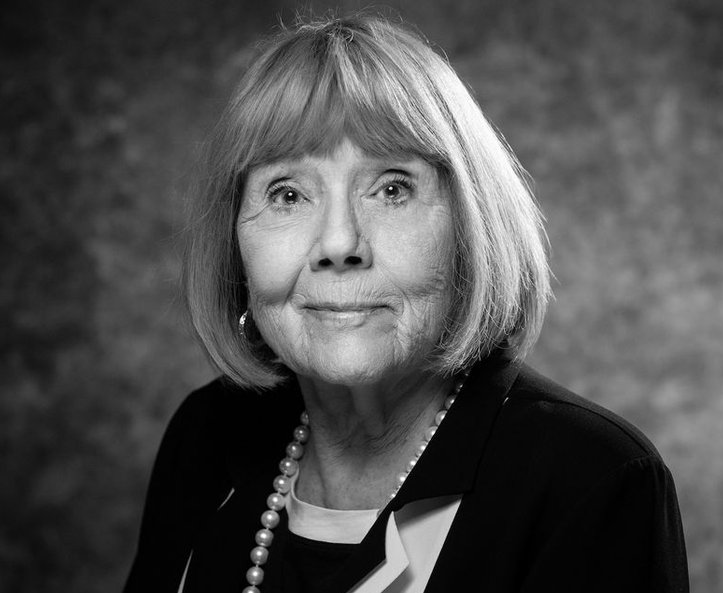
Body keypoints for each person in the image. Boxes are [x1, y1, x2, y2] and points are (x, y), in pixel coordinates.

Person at [124, 13, 689, 593]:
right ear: (234, 243)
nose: (338, 244)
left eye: (392, 189)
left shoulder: (592, 479)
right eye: (288, 194)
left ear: (470, 227)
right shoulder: (209, 435)